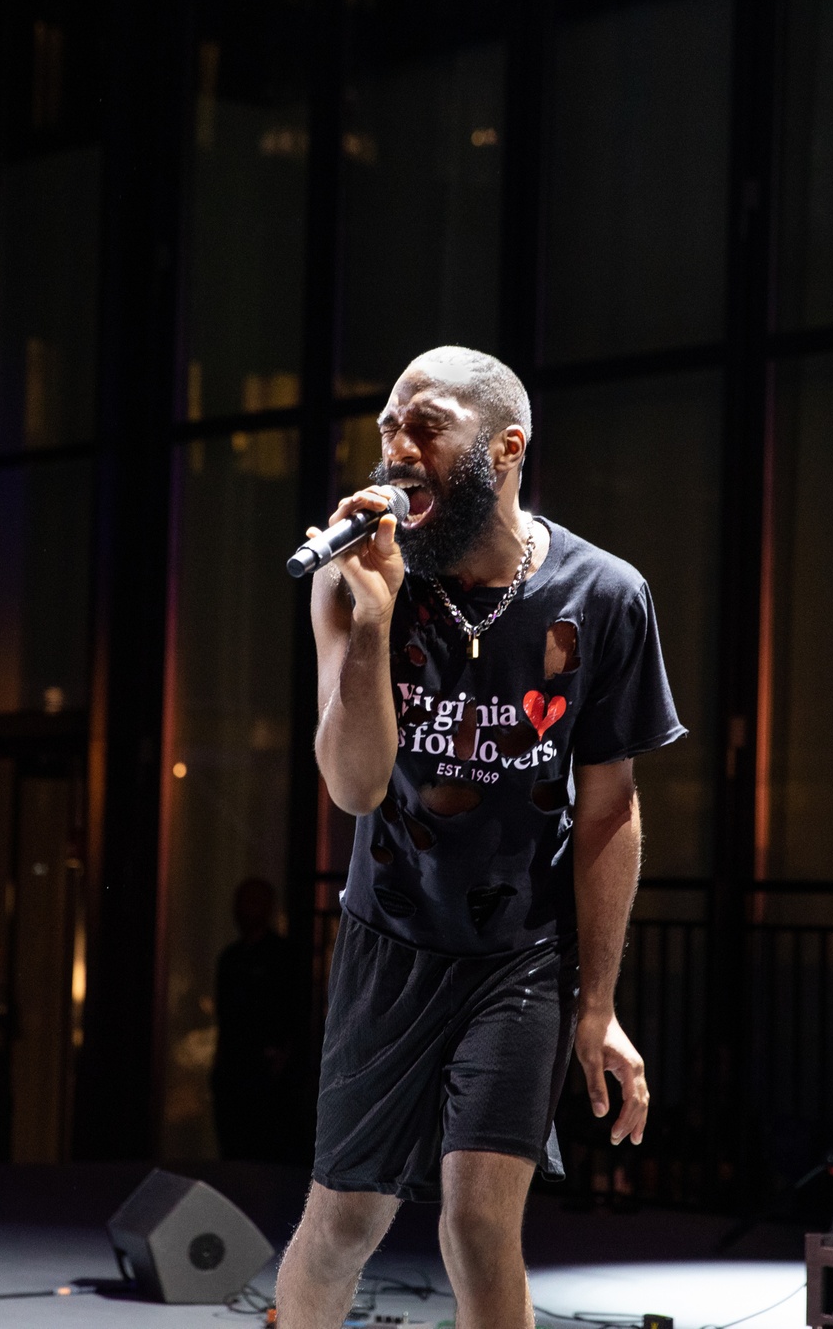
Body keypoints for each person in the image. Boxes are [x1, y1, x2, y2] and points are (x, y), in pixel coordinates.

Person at [276, 346, 685, 1327]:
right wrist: (371, 624)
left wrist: (598, 1004)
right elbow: (355, 784)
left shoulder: (604, 597)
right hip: (391, 937)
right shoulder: (350, 580)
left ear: (505, 448)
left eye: (425, 426)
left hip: (518, 954)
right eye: (386, 429)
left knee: (475, 1224)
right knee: (342, 1223)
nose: (396, 451)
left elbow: (609, 808)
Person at [211, 877, 311, 1162]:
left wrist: (282, 1060)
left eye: (252, 902)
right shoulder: (230, 959)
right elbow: (226, 1018)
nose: (243, 909)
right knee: (234, 1151)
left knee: (266, 1153)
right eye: (241, 902)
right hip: (234, 1071)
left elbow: (295, 1013)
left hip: (268, 1075)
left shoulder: (283, 957)